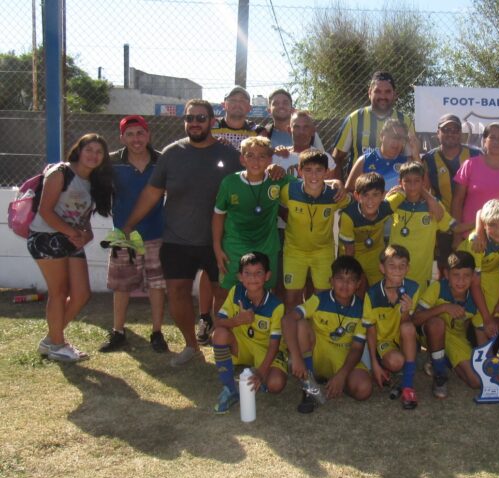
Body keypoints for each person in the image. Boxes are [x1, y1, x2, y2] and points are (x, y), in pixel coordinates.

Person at [122, 99, 242, 367]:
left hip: (218, 242)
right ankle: (191, 346)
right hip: (177, 240)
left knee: (223, 295)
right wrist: (129, 225)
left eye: (201, 118)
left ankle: (223, 345)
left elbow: (248, 186)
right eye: (190, 118)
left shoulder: (230, 155)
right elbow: (153, 193)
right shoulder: (172, 153)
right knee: (177, 293)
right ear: (184, 121)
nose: (195, 123)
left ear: (212, 121)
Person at [29, 133, 113, 362]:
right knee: (59, 292)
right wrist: (73, 233)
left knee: (82, 294)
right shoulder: (60, 173)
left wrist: (86, 234)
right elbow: (45, 211)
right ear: (79, 150)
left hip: (71, 239)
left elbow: (82, 217)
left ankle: (51, 339)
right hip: (46, 237)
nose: (93, 155)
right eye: (89, 150)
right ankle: (57, 343)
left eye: (99, 152)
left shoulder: (93, 181)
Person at [100, 115, 168, 354]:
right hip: (124, 236)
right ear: (121, 138)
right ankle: (118, 332)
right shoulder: (109, 163)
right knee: (122, 286)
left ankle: (157, 332)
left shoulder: (163, 160)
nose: (136, 139)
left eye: (140, 133)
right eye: (130, 134)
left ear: (148, 135)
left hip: (156, 233)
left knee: (157, 285)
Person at [283, 255, 372, 413]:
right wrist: (296, 356)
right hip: (316, 355)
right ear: (331, 281)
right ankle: (309, 387)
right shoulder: (319, 300)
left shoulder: (362, 308)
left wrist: (342, 375)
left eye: (351, 280)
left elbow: (357, 348)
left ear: (358, 284)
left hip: (341, 359)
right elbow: (287, 319)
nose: (345, 284)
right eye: (340, 278)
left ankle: (335, 382)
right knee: (300, 324)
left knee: (364, 389)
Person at [213, 136, 295, 293]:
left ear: (270, 160)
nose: (256, 161)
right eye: (250, 155)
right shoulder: (230, 183)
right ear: (242, 159)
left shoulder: (277, 179)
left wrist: (335, 183)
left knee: (265, 292)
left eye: (262, 156)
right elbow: (218, 215)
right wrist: (217, 247)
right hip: (234, 247)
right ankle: (223, 319)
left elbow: (307, 184)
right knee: (225, 292)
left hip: (266, 247)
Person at [211, 252, 287, 414]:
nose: (252, 278)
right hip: (242, 345)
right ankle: (230, 389)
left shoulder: (276, 305)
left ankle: (257, 373)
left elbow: (274, 345)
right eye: (247, 273)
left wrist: (261, 372)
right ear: (240, 276)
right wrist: (237, 321)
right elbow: (217, 322)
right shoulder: (235, 291)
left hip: (265, 349)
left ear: (267, 276)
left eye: (258, 273)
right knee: (219, 334)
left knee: (276, 385)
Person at [280, 149, 351, 313]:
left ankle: (316, 335)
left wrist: (341, 185)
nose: (313, 175)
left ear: (327, 172)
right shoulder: (289, 190)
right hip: (294, 251)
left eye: (319, 170)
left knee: (323, 296)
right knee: (292, 298)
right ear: (299, 171)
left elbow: (354, 205)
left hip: (323, 252)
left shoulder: (334, 194)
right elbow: (278, 206)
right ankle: (293, 334)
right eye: (308, 170)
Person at [412, 250, 486, 399]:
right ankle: (439, 377)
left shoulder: (475, 298)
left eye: (466, 276)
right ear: (447, 274)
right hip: (431, 334)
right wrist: (444, 308)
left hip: (456, 339)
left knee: (477, 382)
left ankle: (442, 360)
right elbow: (415, 319)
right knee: (436, 324)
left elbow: (479, 330)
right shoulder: (437, 288)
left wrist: (487, 363)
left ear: (473, 277)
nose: (461, 281)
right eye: (456, 275)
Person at [458, 199, 499, 364]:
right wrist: (486, 318)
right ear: (485, 225)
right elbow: (475, 283)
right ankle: (481, 359)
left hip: (492, 272)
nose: (498, 231)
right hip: (466, 274)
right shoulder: (476, 242)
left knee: (496, 313)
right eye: (492, 225)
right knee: (475, 317)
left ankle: (485, 357)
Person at [363, 245, 421, 409]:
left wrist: (406, 311)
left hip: (404, 338)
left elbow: (407, 323)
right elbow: (371, 330)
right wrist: (374, 362)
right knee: (396, 362)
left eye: (402, 265)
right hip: (385, 340)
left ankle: (408, 386)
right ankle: (383, 365)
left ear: (408, 268)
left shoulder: (413, 288)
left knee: (408, 328)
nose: (397, 270)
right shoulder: (372, 294)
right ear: (382, 268)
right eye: (392, 265)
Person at [422, 114, 482, 271]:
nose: (450, 133)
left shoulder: (476, 155)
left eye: (455, 130)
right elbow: (425, 191)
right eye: (446, 129)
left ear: (460, 133)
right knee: (446, 270)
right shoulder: (429, 159)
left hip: (473, 223)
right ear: (438, 133)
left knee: (474, 270)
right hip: (444, 225)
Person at [451, 122, 499, 242]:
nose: (496, 142)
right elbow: (457, 201)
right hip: (470, 237)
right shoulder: (470, 165)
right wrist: (456, 236)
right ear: (484, 141)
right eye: (492, 137)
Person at [332, 71, 419, 175]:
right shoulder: (354, 119)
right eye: (377, 91)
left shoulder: (405, 121)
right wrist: (340, 187)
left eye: (387, 91)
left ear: (394, 95)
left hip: (396, 188)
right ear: (369, 93)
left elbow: (412, 158)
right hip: (360, 188)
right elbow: (337, 158)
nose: (383, 96)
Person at [389, 161, 453, 290]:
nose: (412, 186)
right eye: (407, 181)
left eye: (417, 181)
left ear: (423, 183)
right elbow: (378, 210)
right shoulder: (395, 201)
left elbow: (450, 226)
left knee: (417, 308)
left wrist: (427, 195)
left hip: (421, 273)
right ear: (400, 182)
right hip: (394, 270)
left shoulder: (433, 206)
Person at [338, 172, 405, 292]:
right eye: (365, 195)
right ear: (357, 196)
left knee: (380, 291)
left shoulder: (387, 206)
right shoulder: (348, 215)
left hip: (376, 255)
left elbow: (402, 192)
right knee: (354, 290)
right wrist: (349, 272)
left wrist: (398, 190)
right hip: (353, 255)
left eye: (375, 195)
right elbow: (349, 250)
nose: (370, 200)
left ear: (383, 195)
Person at [344, 118, 409, 192]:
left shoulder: (407, 163)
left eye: (401, 139)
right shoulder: (364, 160)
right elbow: (349, 191)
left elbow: (421, 187)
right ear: (381, 136)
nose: (396, 142)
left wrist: (416, 154)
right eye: (393, 137)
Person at [271, 110, 335, 178]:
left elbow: (332, 186)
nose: (301, 132)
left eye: (306, 127)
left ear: (313, 131)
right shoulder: (277, 156)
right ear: (289, 130)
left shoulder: (325, 158)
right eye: (296, 127)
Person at [256, 88, 324, 150]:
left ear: (292, 109)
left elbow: (323, 159)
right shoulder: (264, 134)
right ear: (269, 110)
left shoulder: (309, 133)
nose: (281, 106)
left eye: (285, 103)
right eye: (276, 103)